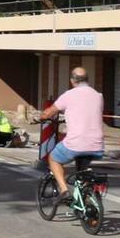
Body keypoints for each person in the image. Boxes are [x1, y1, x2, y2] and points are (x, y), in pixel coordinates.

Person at [40, 67, 105, 201]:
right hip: (97, 145)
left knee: (53, 158)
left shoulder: (69, 95)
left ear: (72, 81)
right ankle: (86, 199)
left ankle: (64, 190)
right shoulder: (98, 96)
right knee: (83, 172)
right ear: (87, 80)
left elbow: (49, 112)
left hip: (76, 143)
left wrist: (40, 117)